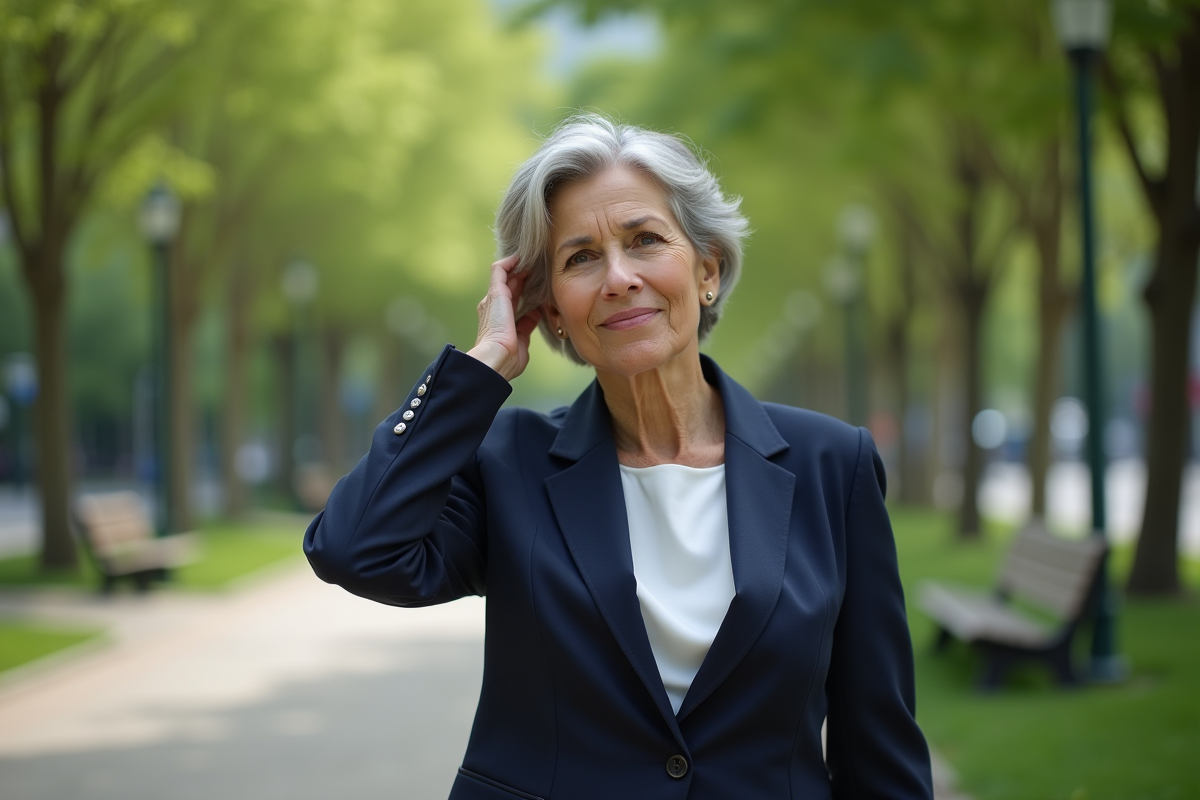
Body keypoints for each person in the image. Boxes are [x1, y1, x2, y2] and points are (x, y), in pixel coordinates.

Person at [304, 114, 933, 800]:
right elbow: (354, 548)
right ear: (548, 312)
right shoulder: (509, 464)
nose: (619, 277)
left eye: (645, 240)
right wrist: (481, 366)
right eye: (580, 259)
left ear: (707, 271)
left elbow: (879, 749)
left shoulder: (831, 464)